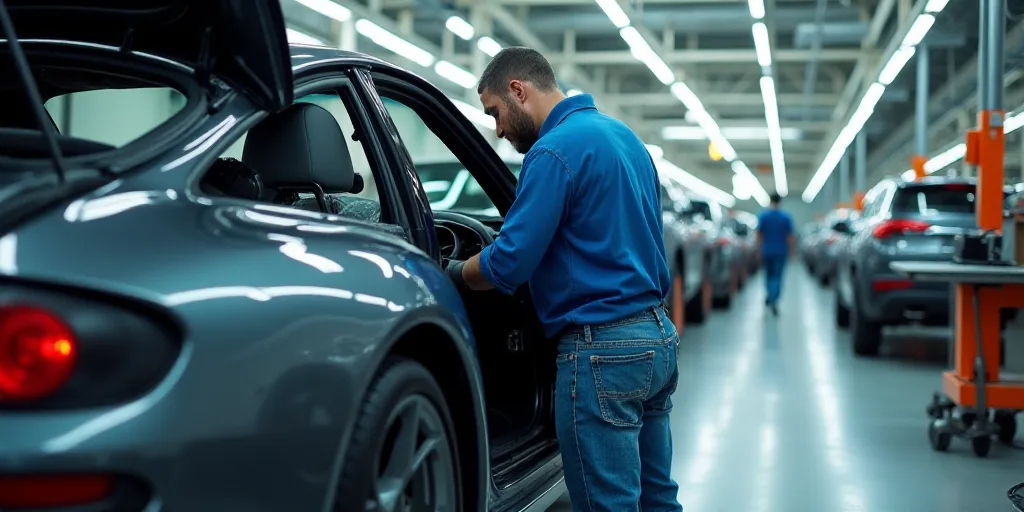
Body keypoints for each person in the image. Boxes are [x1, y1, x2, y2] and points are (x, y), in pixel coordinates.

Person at [443, 47, 683, 511]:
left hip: (602, 353)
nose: (497, 129)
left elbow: (509, 261)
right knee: (658, 500)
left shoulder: (553, 151)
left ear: (519, 90)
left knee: (607, 505)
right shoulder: (625, 139)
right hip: (656, 341)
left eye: (495, 113)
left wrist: (452, 272)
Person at [757, 193, 795, 316]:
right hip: (781, 251)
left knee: (768, 276)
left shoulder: (763, 216)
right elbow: (790, 237)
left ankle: (770, 295)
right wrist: (791, 252)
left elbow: (759, 235)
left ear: (770, 201)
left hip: (767, 250)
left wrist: (758, 249)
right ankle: (774, 299)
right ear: (780, 201)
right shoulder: (786, 217)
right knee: (777, 277)